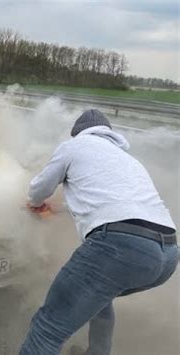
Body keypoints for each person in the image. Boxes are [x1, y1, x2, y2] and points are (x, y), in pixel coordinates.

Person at [20, 109, 177, 355]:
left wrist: (35, 203)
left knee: (47, 328)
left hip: (120, 248)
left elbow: (39, 188)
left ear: (78, 133)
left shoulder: (74, 146)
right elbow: (111, 204)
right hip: (167, 255)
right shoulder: (127, 159)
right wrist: (57, 209)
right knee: (99, 295)